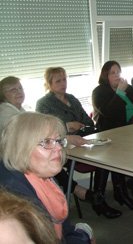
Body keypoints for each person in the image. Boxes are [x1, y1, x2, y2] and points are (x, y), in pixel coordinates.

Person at [36, 67, 121, 219]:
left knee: (105, 156)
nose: (63, 83)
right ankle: (97, 201)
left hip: (83, 141)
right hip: (62, 147)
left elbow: (88, 121)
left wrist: (83, 125)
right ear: (49, 84)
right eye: (58, 81)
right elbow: (46, 129)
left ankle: (99, 198)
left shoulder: (72, 98)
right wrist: (68, 125)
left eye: (64, 79)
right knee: (99, 157)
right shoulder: (44, 103)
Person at [0, 112, 94, 243]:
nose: (59, 148)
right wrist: (83, 237)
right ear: (21, 147)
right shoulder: (15, 193)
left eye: (59, 141)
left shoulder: (41, 174)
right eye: (46, 142)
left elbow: (64, 227)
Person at [93, 60, 133, 202]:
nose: (116, 75)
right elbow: (109, 113)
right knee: (126, 152)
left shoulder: (128, 88)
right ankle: (122, 192)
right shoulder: (99, 91)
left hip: (132, 131)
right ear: (105, 75)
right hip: (110, 132)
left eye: (118, 72)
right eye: (112, 73)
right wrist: (119, 92)